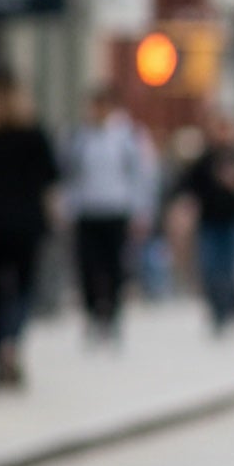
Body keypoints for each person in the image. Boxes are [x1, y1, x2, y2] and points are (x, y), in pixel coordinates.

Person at [65, 86, 157, 342]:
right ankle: (93, 314)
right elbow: (70, 174)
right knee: (88, 267)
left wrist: (141, 211)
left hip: (117, 210)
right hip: (87, 211)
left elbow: (141, 176)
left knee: (115, 267)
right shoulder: (79, 137)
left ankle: (113, 315)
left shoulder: (128, 136)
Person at [0, 66, 61, 389]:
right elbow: (51, 183)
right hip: (26, 223)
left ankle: (1, 343)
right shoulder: (34, 134)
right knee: (23, 288)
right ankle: (12, 343)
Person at [176, 112, 234, 332]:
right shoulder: (206, 159)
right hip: (209, 221)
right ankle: (215, 310)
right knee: (210, 268)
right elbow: (189, 186)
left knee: (229, 268)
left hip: (233, 220)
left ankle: (229, 311)